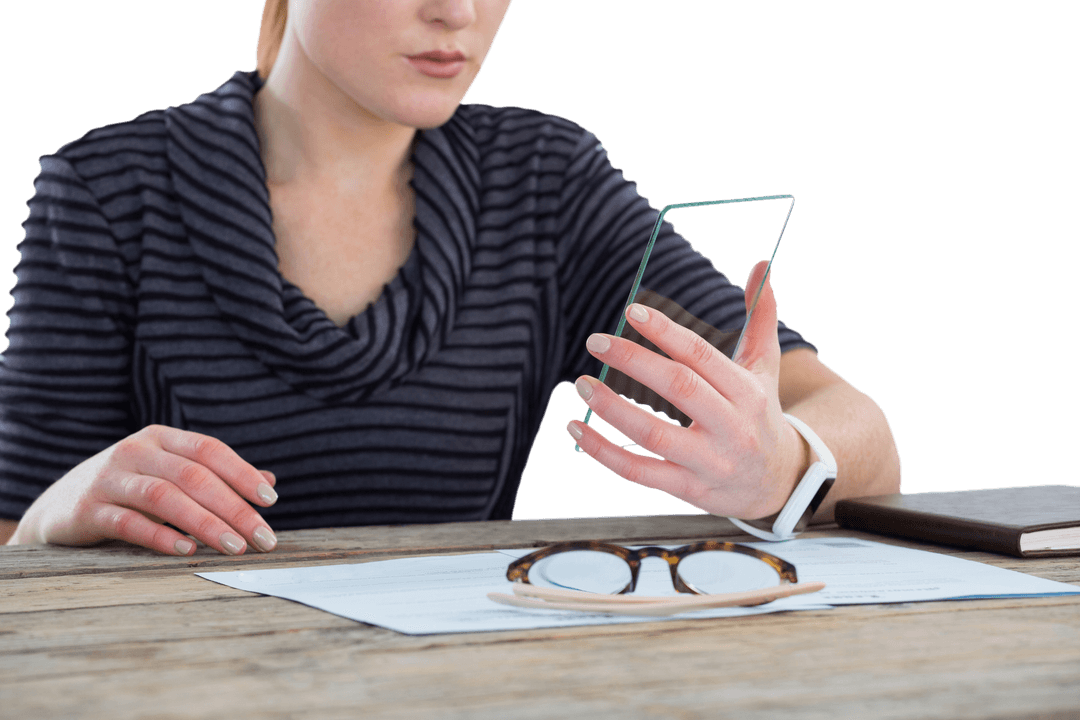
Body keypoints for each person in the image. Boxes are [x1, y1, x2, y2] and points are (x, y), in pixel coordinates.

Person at [0, 0, 901, 555]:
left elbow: (861, 436)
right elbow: (14, 544)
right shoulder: (106, 193)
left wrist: (781, 463)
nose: (458, 10)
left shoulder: (545, 183)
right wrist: (58, 510)